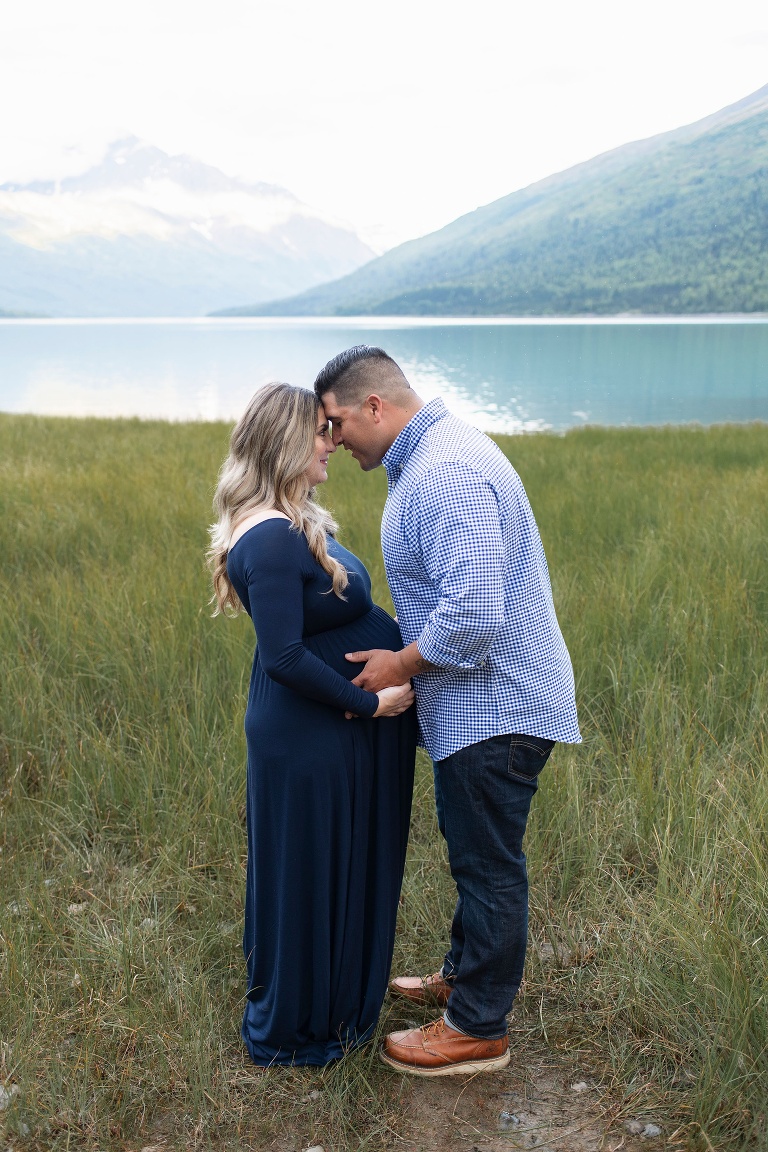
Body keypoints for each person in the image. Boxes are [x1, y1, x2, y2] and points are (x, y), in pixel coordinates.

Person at [314, 346, 581, 1077]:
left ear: (374, 405)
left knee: (488, 867)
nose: (332, 441)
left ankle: (476, 1026)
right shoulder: (432, 460)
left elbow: (474, 614)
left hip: (497, 706)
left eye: (335, 423)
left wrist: (397, 665)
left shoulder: (447, 474)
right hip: (484, 704)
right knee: (477, 857)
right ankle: (465, 978)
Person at [208, 381, 417, 1067]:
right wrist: (371, 704)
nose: (333, 442)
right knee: (310, 870)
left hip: (322, 728)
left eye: (333, 429)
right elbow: (286, 656)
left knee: (325, 864)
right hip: (310, 731)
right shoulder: (267, 536)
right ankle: (298, 1023)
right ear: (286, 441)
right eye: (321, 432)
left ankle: (330, 999)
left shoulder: (283, 516)